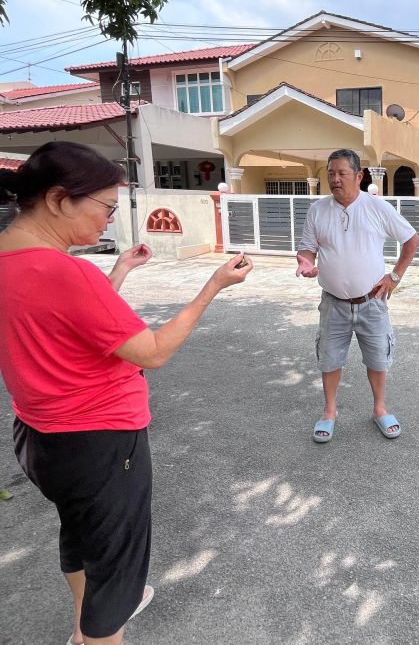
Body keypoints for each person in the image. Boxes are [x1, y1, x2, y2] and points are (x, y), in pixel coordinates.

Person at [0, 142, 253, 645]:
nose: (108, 219)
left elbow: (67, 324)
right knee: (115, 573)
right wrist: (212, 287)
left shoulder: (13, 260)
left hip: (39, 436)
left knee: (79, 533)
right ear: (57, 199)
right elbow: (153, 351)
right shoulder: (65, 272)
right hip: (100, 441)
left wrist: (117, 274)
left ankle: (80, 624)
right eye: (105, 206)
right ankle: (98, 629)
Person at [296, 149, 419, 442]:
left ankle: (379, 409)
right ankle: (329, 411)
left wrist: (394, 277)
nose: (335, 179)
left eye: (342, 173)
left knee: (378, 360)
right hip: (333, 303)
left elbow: (411, 239)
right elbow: (307, 249)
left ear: (359, 176)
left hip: (371, 302)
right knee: (329, 359)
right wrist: (306, 264)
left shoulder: (377, 207)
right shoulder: (318, 210)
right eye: (330, 173)